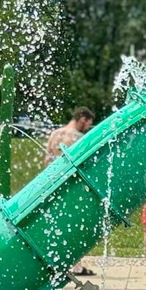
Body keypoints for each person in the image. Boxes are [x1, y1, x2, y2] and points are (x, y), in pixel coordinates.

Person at [45, 106, 96, 275]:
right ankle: (75, 265)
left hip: (52, 184)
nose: (88, 127)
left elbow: (47, 162)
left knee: (57, 224)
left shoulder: (54, 134)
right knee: (76, 225)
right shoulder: (79, 138)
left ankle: (55, 260)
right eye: (88, 123)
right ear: (82, 118)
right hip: (71, 187)